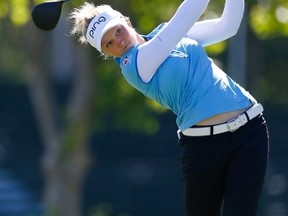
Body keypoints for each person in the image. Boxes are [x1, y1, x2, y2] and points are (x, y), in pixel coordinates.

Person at [69, 0, 269, 215]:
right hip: (203, 147)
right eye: (108, 44)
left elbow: (228, 26)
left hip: (249, 130)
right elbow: (190, 10)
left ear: (126, 21)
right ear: (107, 53)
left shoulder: (165, 32)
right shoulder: (135, 65)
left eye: (118, 31)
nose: (118, 41)